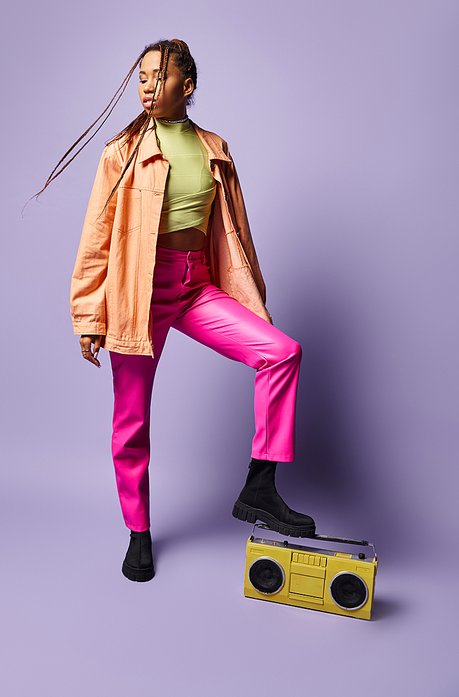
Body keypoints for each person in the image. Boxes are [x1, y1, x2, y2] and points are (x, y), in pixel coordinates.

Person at [40, 39, 315, 582]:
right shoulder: (121, 153)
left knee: (281, 353)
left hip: (197, 285)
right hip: (137, 292)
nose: (146, 85)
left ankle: (260, 484)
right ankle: (138, 532)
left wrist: (252, 295)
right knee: (131, 420)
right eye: (140, 76)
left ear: (186, 87)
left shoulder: (215, 148)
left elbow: (236, 232)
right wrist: (89, 316)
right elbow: (97, 236)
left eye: (158, 77)